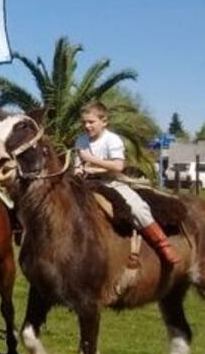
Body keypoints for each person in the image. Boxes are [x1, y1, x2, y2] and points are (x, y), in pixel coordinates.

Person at [74, 101, 181, 266]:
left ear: (104, 121)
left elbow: (118, 166)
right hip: (85, 183)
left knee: (138, 208)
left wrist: (91, 160)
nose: (87, 126)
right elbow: (77, 164)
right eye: (84, 122)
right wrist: (78, 170)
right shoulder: (81, 140)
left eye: (91, 122)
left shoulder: (112, 139)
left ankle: (163, 245)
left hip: (111, 182)